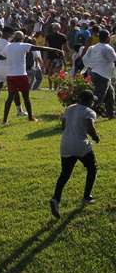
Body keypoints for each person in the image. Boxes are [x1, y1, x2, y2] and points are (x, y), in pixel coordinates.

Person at [50, 90, 101, 219]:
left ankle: (56, 199)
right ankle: (86, 197)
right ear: (90, 102)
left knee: (65, 174)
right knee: (92, 168)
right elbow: (89, 127)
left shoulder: (70, 108)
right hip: (81, 145)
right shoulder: (90, 112)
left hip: (65, 144)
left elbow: (63, 126)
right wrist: (96, 137)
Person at [0, 31, 61, 123]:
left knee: (10, 97)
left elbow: (0, 57)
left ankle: (4, 120)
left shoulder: (8, 47)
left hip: (10, 75)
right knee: (26, 97)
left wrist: (10, 58)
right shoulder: (23, 45)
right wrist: (55, 49)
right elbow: (40, 48)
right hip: (21, 74)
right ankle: (30, 117)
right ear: (22, 39)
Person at [82, 31, 116, 119]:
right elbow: (114, 60)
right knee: (98, 98)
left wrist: (91, 67)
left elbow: (85, 59)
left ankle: (111, 113)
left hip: (96, 73)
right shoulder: (107, 48)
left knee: (110, 94)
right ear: (108, 38)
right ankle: (84, 114)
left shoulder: (93, 47)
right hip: (103, 75)